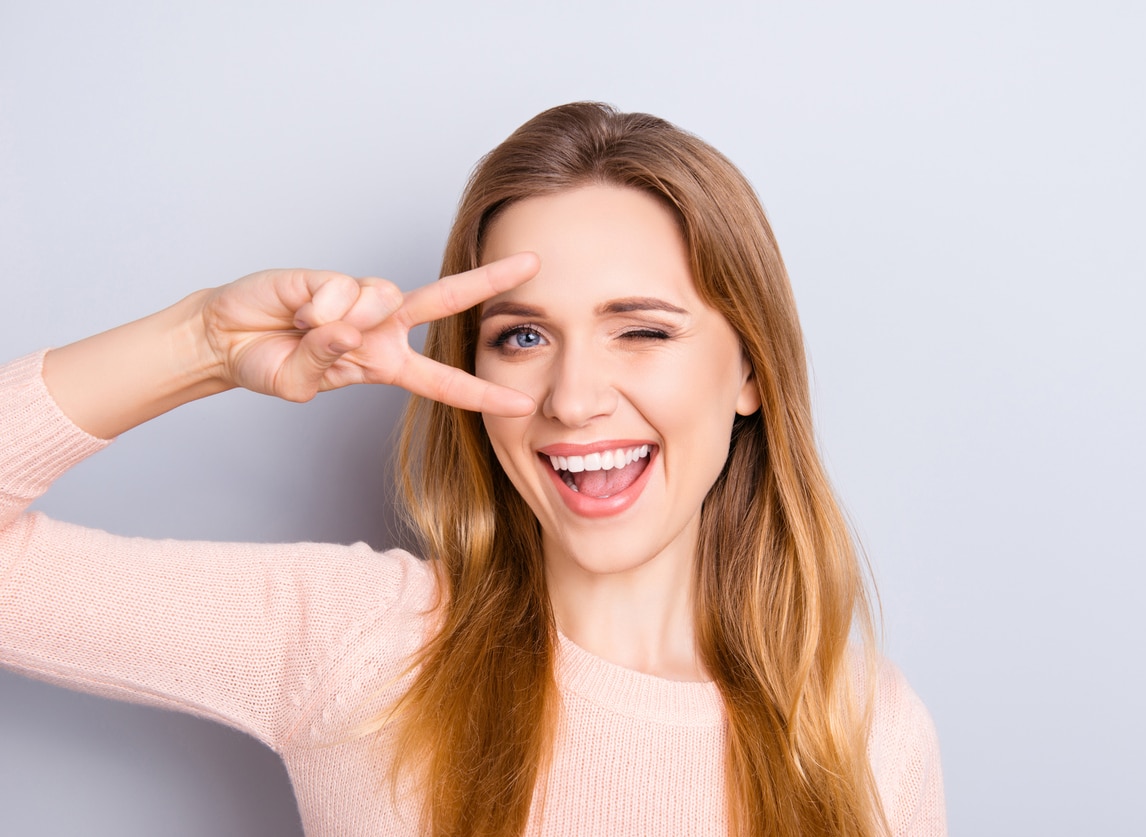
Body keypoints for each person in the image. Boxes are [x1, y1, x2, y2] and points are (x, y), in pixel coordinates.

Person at [0, 102, 945, 836]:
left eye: (642, 329)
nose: (574, 397)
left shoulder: (861, 728)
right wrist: (202, 340)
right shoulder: (362, 644)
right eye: (523, 335)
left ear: (749, 368)